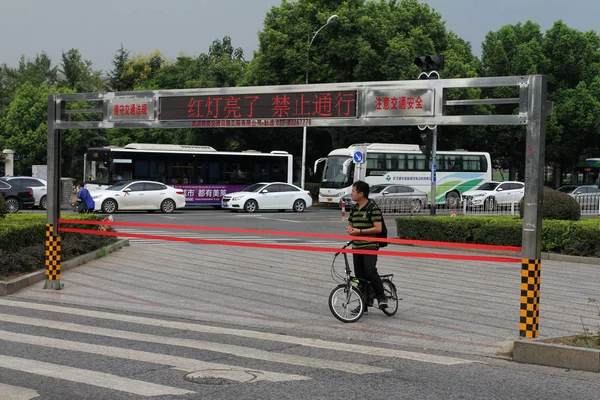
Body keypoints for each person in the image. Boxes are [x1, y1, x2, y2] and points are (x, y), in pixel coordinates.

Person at [346, 180, 387, 312]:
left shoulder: (372, 208)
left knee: (370, 271)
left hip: (370, 245)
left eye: (353, 191)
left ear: (361, 193)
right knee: (360, 277)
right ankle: (363, 304)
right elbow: (350, 223)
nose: (351, 194)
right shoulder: (354, 209)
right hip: (357, 246)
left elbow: (378, 228)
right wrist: (351, 229)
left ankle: (381, 297)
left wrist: (360, 232)